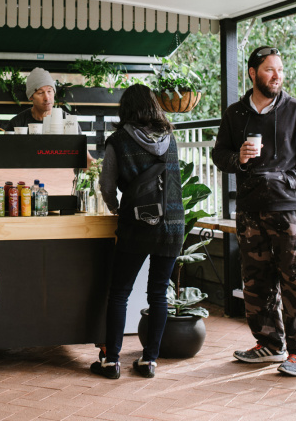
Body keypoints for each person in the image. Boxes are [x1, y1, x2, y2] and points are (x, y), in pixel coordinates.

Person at [211, 46, 296, 376]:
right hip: (249, 209)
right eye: (269, 70)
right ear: (252, 73)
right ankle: (270, 344)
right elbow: (219, 154)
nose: (277, 76)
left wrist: (290, 180)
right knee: (255, 281)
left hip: (289, 210)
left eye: (280, 70)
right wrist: (238, 158)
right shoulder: (234, 114)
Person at [93, 84, 184, 379]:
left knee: (120, 292)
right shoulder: (170, 137)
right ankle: (149, 361)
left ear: (126, 109)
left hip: (136, 223)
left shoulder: (118, 141)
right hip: (172, 224)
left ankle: (112, 361)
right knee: (158, 294)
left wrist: (114, 207)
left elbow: (107, 185)